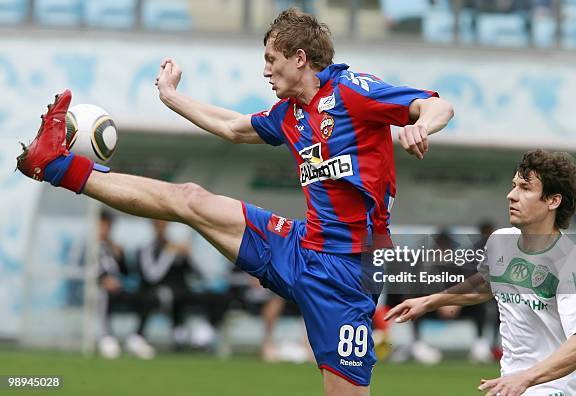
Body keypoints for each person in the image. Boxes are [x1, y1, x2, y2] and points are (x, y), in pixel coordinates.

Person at [16, 8, 453, 395]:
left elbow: (437, 106)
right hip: (300, 245)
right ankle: (52, 165)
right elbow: (232, 127)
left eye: (271, 59)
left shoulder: (353, 91)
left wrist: (421, 127)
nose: (265, 71)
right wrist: (171, 97)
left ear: (299, 58)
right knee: (189, 199)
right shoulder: (291, 114)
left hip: (348, 273)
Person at [386, 150, 576, 396]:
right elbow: (486, 285)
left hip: (554, 389)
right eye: (513, 186)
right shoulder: (500, 242)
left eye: (525, 188)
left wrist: (526, 379)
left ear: (553, 201)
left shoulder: (571, 266)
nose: (511, 195)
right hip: (511, 384)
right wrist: (428, 301)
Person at [136, 219, 230, 351]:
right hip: (158, 293)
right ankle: (168, 336)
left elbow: (200, 274)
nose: (161, 227)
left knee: (220, 297)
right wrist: (168, 253)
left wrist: (190, 255)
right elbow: (153, 276)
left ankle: (203, 334)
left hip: (183, 292)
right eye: (157, 224)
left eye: (163, 223)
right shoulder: (146, 249)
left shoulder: (176, 247)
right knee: (170, 296)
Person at [96, 210, 159, 359]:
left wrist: (120, 255)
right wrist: (101, 280)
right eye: (103, 225)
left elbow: (126, 272)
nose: (106, 229)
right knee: (103, 295)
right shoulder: (87, 246)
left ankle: (136, 338)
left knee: (148, 296)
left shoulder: (113, 248)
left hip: (118, 289)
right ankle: (106, 337)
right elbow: (81, 269)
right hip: (95, 289)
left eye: (108, 226)